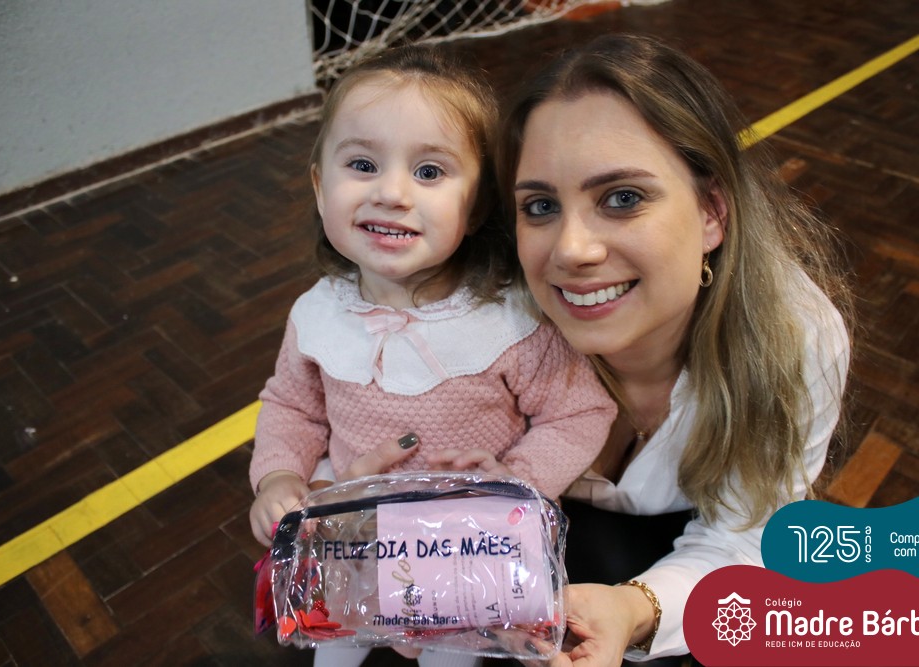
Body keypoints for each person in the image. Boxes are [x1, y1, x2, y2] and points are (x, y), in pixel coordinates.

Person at [247, 44, 617, 667]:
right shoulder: (316, 313)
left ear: (477, 207)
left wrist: (517, 481)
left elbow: (579, 413)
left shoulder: (511, 320)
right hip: (356, 536)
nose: (391, 192)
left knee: (452, 653)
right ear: (319, 185)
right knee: (336, 646)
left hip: (466, 545)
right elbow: (292, 405)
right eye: (362, 164)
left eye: (428, 172)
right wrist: (279, 477)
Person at [490, 34, 854, 664]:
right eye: (541, 206)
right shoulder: (484, 326)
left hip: (689, 552)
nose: (571, 250)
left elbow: (745, 534)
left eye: (623, 198)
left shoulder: (793, 338)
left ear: (712, 211)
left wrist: (635, 609)